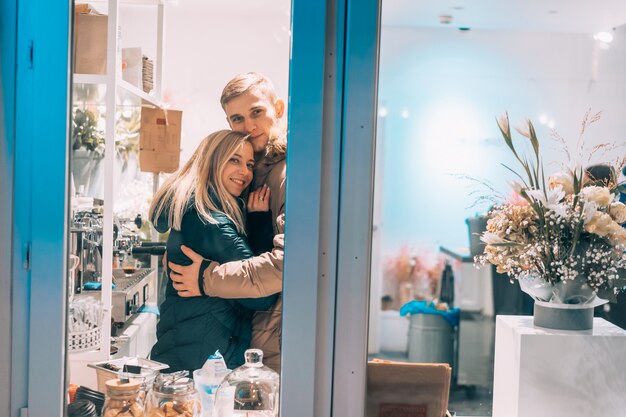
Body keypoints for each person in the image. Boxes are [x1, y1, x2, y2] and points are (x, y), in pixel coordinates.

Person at [168, 73, 287, 372]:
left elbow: (285, 265)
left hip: (271, 335)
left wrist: (206, 279)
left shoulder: (285, 175)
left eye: (257, 112)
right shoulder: (251, 178)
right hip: (241, 340)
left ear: (279, 109)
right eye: (237, 118)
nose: (249, 126)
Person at [149, 129, 278, 372]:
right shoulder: (210, 222)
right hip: (200, 364)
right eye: (234, 160)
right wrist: (261, 224)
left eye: (250, 164)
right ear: (212, 161)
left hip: (194, 354)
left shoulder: (200, 213)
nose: (245, 172)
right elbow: (261, 294)